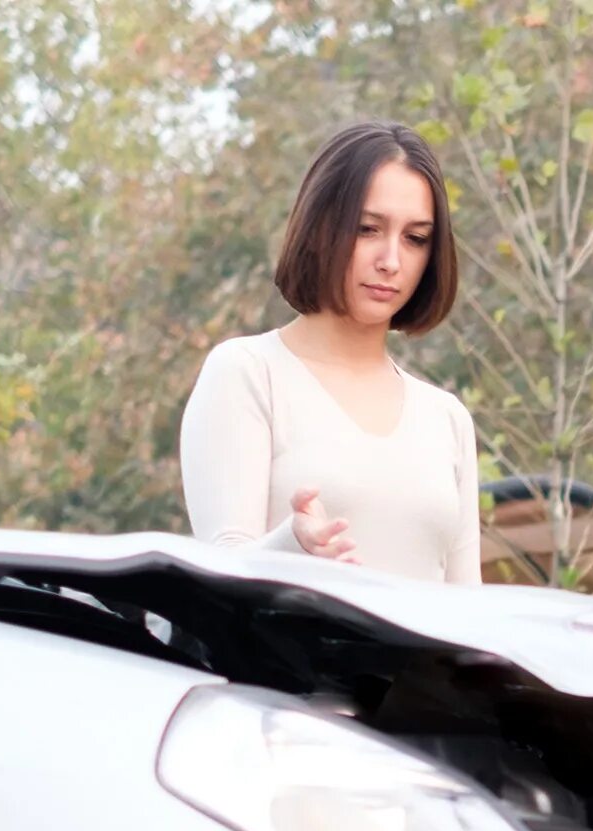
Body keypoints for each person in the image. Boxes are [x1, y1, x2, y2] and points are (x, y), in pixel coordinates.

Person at [181, 122, 480, 585]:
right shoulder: (248, 373)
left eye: (415, 238)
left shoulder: (447, 418)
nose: (391, 261)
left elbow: (469, 611)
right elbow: (221, 573)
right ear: (321, 229)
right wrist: (293, 545)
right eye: (367, 229)